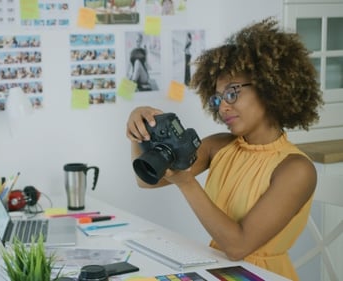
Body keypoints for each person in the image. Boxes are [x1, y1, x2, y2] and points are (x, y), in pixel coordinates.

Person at [126, 17, 323, 281]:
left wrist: (187, 183)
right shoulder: (219, 146)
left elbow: (237, 247)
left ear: (269, 88)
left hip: (261, 276)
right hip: (216, 270)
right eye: (218, 98)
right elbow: (146, 181)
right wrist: (138, 131)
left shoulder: (296, 169)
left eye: (232, 93)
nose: (222, 107)